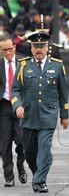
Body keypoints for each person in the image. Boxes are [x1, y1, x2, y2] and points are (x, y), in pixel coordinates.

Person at [11, 31, 69, 193]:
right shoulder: (23, 66)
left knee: (44, 147)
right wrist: (18, 106)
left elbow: (63, 93)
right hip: (28, 115)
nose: (38, 49)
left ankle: (40, 180)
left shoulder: (57, 66)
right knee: (29, 151)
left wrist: (64, 115)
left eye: (41, 46)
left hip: (48, 115)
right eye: (35, 46)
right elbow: (15, 90)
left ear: (47, 47)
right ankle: (38, 174)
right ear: (31, 48)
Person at [0, 37, 26, 187]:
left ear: (14, 47)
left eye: (10, 49)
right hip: (3, 106)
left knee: (22, 140)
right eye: (4, 50)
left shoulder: (23, 63)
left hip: (20, 106)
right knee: (4, 144)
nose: (8, 52)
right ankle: (8, 176)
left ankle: (21, 166)